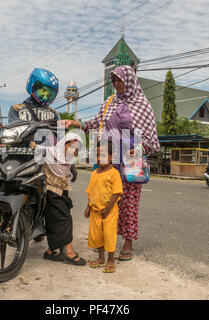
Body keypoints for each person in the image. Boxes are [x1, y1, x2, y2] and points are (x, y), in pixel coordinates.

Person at [66, 65, 160, 261]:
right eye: (114, 81)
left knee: (129, 203)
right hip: (108, 159)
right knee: (105, 199)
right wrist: (76, 124)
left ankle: (127, 243)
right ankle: (106, 241)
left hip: (131, 161)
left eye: (119, 80)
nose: (116, 84)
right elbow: (96, 123)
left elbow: (151, 139)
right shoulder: (109, 102)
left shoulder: (143, 105)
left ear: (130, 81)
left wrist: (141, 148)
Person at [30, 133, 86, 266]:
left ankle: (51, 251)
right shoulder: (50, 152)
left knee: (55, 220)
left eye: (76, 148)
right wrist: (31, 144)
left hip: (62, 190)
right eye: (71, 146)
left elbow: (69, 165)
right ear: (65, 143)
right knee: (64, 219)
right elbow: (35, 148)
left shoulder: (68, 158)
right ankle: (68, 251)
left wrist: (73, 169)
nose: (73, 150)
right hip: (50, 190)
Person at [85, 140, 123, 273]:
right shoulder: (94, 173)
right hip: (95, 211)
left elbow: (117, 192)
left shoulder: (114, 173)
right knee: (97, 236)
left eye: (103, 155)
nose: (99, 158)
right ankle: (101, 258)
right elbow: (91, 191)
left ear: (112, 156)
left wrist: (107, 209)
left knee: (109, 235)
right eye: (97, 155)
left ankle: (110, 260)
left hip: (109, 212)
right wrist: (88, 207)